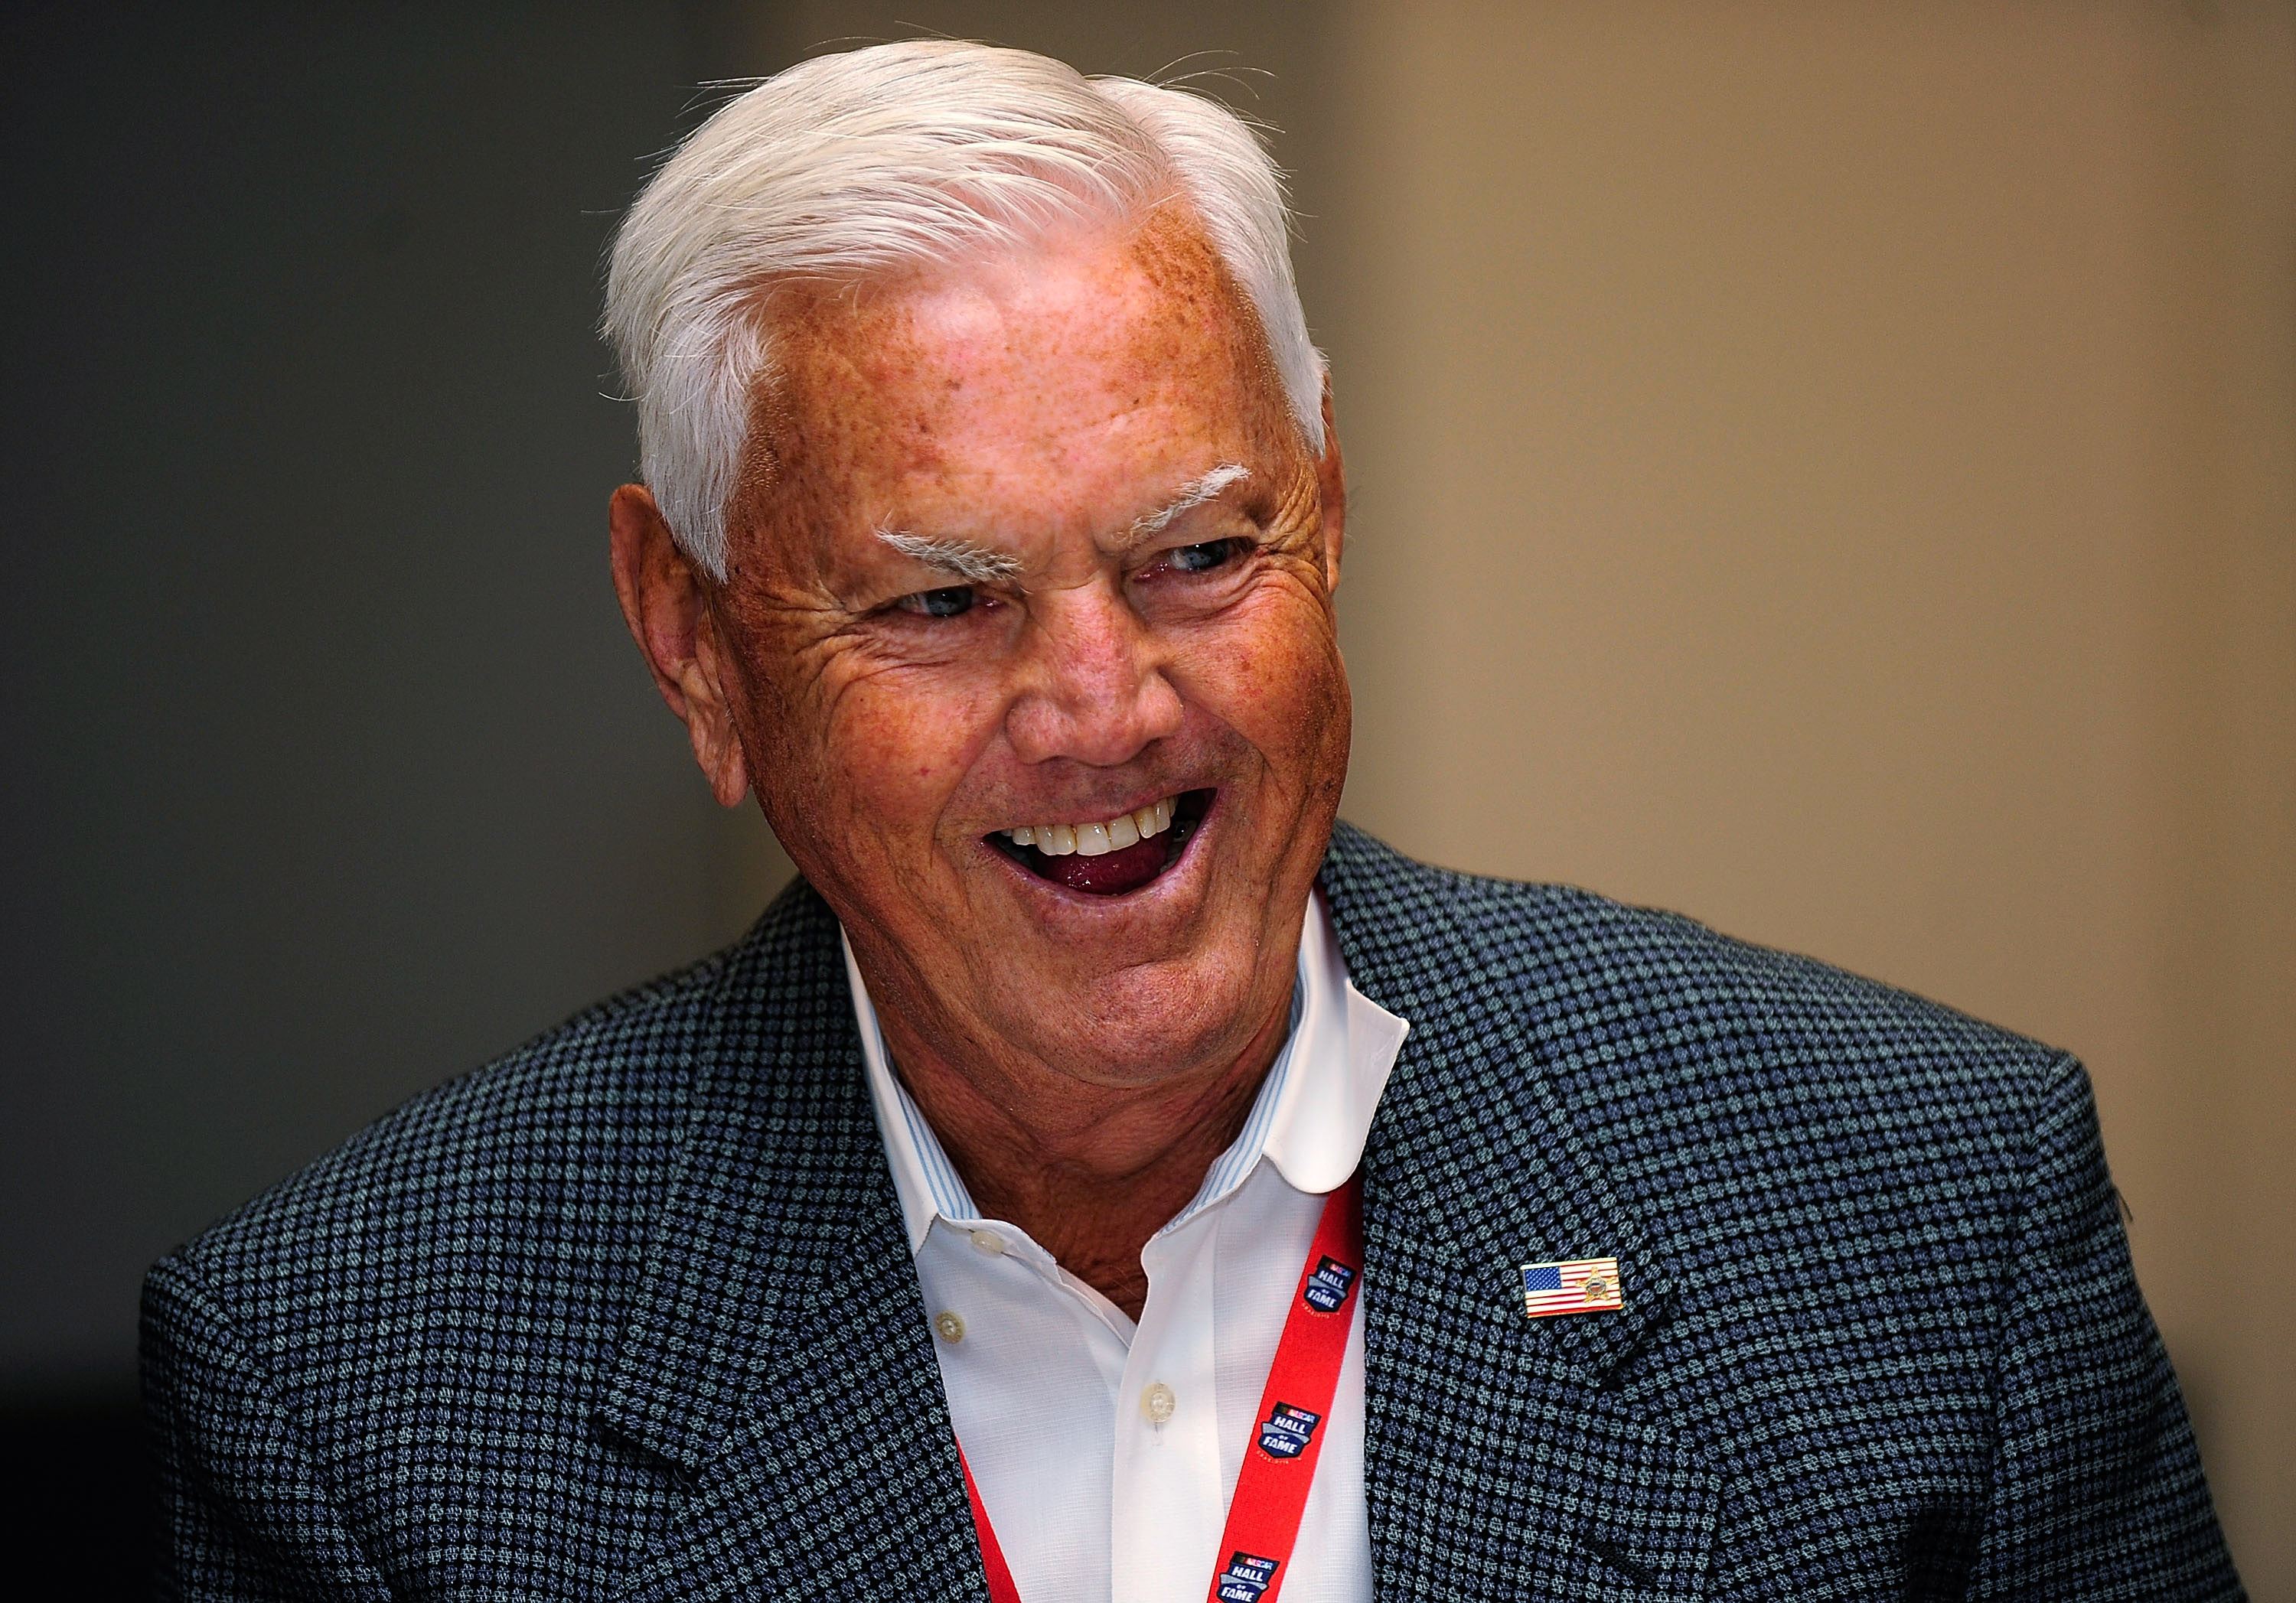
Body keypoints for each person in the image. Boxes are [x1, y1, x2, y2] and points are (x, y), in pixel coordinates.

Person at [142, 40, 2242, 1602]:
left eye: (1201, 555)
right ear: (694, 643)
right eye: (946, 600)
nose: (1105, 713)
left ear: (1330, 503)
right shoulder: (360, 1388)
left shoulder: (1921, 1220)